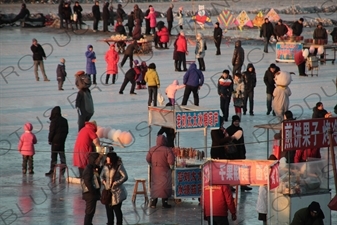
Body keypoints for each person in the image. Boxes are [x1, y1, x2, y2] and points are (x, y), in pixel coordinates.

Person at [146, 135, 175, 208]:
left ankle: (153, 203)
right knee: (164, 186)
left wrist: (152, 165)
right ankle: (164, 202)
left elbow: (147, 159)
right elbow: (171, 161)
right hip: (165, 171)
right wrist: (171, 168)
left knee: (155, 186)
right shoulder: (167, 150)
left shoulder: (152, 149)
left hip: (155, 171)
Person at [100, 152, 128, 225]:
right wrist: (103, 181)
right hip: (107, 191)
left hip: (117, 192)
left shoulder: (119, 166)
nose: (107, 159)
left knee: (117, 210)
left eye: (108, 157)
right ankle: (110, 223)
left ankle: (119, 223)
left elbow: (125, 177)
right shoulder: (105, 166)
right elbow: (101, 176)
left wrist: (117, 182)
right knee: (109, 210)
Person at [226, 115, 252, 192]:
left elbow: (242, 141)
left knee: (243, 169)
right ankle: (230, 185)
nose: (237, 123)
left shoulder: (240, 129)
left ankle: (243, 185)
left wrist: (243, 151)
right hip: (232, 153)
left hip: (240, 152)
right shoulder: (229, 130)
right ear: (232, 121)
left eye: (238, 121)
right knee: (232, 170)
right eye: (235, 121)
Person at [45, 106, 69, 176]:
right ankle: (63, 170)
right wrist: (63, 138)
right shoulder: (65, 120)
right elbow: (66, 131)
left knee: (54, 156)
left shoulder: (54, 121)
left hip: (55, 141)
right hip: (62, 141)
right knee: (62, 156)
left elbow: (52, 131)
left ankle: (52, 170)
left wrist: (50, 140)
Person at [257, 154, 278, 225]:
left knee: (265, 222)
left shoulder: (264, 171)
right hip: (265, 205)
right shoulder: (270, 173)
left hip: (263, 205)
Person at [82, 152, 101, 225]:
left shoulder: (93, 168)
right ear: (94, 160)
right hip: (89, 194)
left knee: (91, 212)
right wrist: (93, 191)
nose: (99, 161)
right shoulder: (89, 168)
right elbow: (87, 181)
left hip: (91, 194)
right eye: (98, 159)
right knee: (89, 212)